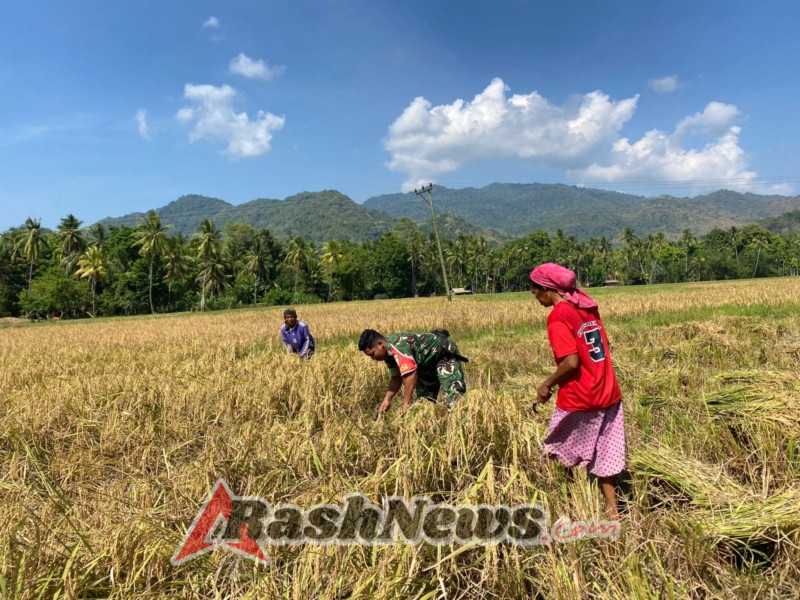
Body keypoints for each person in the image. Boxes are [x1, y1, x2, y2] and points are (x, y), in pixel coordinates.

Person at [529, 263, 625, 518]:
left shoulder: (559, 315)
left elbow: (571, 361)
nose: (535, 297)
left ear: (547, 289)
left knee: (557, 452)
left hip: (581, 395)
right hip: (608, 391)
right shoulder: (587, 307)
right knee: (606, 454)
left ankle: (568, 506)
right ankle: (613, 512)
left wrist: (547, 383)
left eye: (535, 292)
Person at [358, 329, 467, 413]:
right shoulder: (387, 355)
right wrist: (387, 399)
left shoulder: (397, 346)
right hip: (425, 363)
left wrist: (405, 404)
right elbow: (396, 378)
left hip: (443, 354)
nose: (373, 358)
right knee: (424, 404)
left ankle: (465, 429)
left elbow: (410, 375)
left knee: (455, 398)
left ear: (380, 344)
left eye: (372, 354)